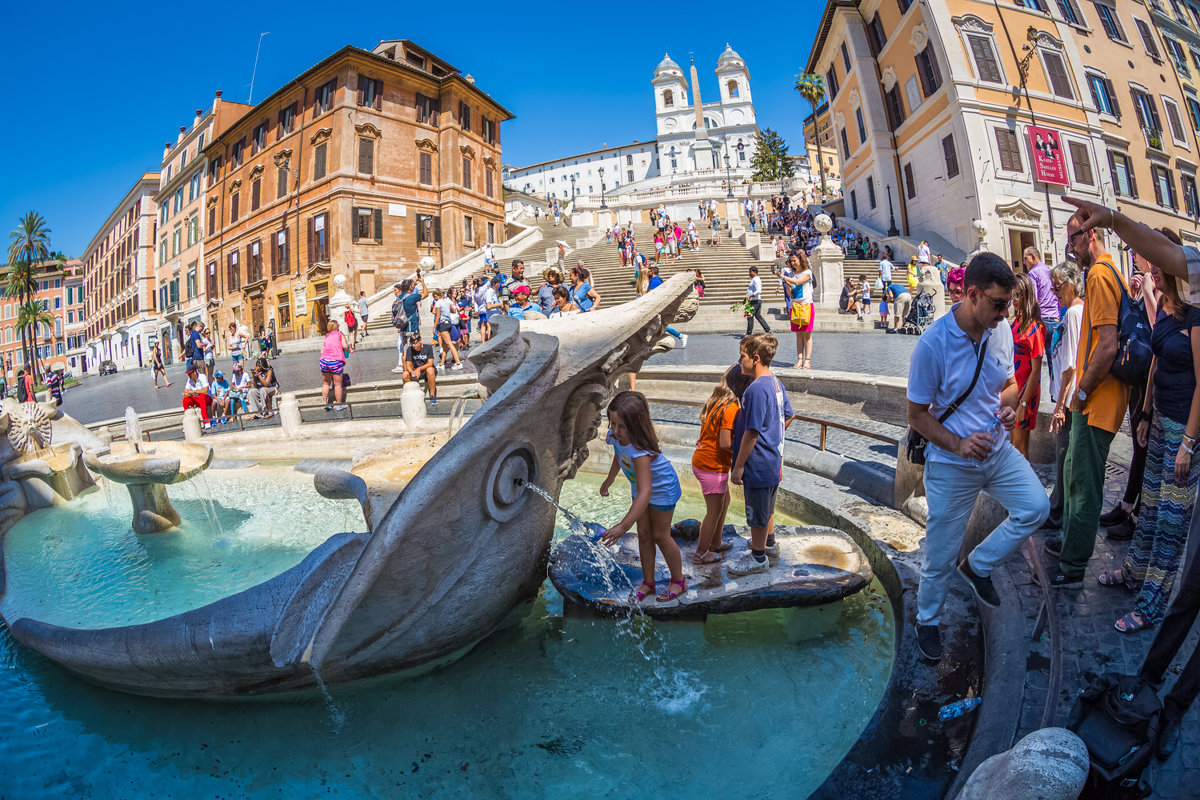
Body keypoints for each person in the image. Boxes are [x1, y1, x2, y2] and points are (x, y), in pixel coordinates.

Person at [906, 253, 1049, 661]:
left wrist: (1011, 405)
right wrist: (957, 443)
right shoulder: (932, 345)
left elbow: (1007, 385)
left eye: (1010, 305)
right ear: (972, 295)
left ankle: (978, 565)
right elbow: (915, 415)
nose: (1006, 314)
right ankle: (927, 621)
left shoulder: (1000, 330)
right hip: (952, 464)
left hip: (999, 452)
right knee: (939, 554)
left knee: (1036, 506)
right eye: (1000, 304)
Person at [1101, 252, 1200, 633]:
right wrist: (1145, 414)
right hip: (1158, 422)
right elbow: (1156, 363)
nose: (1150, 271)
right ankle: (1134, 573)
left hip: (1183, 433)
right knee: (1152, 510)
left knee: (1171, 525)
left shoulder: (1196, 317)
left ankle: (1152, 605)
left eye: (1157, 266)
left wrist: (1188, 445)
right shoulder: (1167, 310)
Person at [1045, 210, 1131, 586]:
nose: (1072, 249)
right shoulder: (1111, 271)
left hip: (1096, 402)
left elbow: (1107, 346)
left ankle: (1073, 565)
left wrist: (1079, 394)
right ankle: (1069, 546)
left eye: (1074, 240)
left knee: (1082, 485)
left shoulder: (1098, 274)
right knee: (1076, 476)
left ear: (1091, 234)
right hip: (1100, 399)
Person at [598, 391, 686, 603]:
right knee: (644, 534)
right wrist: (609, 479)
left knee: (660, 536)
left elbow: (647, 492)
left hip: (661, 489)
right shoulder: (616, 436)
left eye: (621, 426)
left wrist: (622, 526)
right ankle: (649, 582)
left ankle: (678, 580)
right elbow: (619, 455)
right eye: (613, 423)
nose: (615, 431)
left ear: (635, 426)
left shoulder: (640, 451)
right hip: (642, 486)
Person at [728, 333, 796, 576]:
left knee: (756, 512)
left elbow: (751, 432)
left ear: (755, 358)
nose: (739, 361)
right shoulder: (776, 382)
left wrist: (738, 466)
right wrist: (774, 434)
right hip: (773, 459)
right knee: (767, 506)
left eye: (742, 356)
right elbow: (789, 414)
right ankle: (769, 544)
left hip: (757, 461)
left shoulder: (755, 389)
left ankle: (758, 558)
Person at [1045, 263, 1084, 533]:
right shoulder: (1077, 311)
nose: (1054, 291)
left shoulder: (1072, 313)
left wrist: (1059, 407)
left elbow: (1069, 366)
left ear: (1071, 284)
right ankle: (1057, 510)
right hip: (1069, 400)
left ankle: (1057, 515)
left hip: (1068, 402)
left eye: (1057, 286)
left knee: (1063, 458)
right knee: (1064, 458)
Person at [691, 373, 740, 564]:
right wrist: (746, 447)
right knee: (713, 511)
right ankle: (701, 553)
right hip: (712, 466)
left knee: (724, 502)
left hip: (703, 461)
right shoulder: (731, 408)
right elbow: (726, 443)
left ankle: (716, 542)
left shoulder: (716, 401)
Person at [1010, 273, 1045, 460]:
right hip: (1012, 391)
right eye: (1012, 295)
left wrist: (1023, 403)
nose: (1014, 300)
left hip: (1025, 394)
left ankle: (1026, 488)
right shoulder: (1015, 323)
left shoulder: (1035, 328)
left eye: (1018, 295)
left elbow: (1037, 370)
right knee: (1011, 447)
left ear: (1027, 296)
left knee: (1019, 449)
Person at [783, 253, 815, 369]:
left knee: (807, 334)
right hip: (795, 306)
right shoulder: (791, 274)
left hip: (806, 305)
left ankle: (807, 360)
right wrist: (787, 286)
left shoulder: (808, 272)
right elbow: (791, 293)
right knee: (798, 334)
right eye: (791, 261)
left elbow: (797, 282)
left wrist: (783, 277)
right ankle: (800, 360)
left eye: (795, 260)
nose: (793, 263)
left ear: (801, 260)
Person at [1022, 246, 1059, 343]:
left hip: (1042, 319)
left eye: (1025, 258)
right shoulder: (1050, 271)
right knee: (1054, 356)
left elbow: (1033, 298)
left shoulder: (1033, 273)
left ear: (1033, 257)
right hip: (1055, 318)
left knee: (1037, 356)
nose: (1024, 262)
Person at [318, 319, 349, 412]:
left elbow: (322, 351)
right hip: (335, 361)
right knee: (337, 384)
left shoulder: (327, 336)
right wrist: (348, 348)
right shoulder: (340, 334)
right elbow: (344, 346)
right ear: (337, 327)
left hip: (324, 361)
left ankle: (325, 403)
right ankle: (339, 404)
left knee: (326, 383)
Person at [431, 289, 464, 370]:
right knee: (445, 345)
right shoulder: (447, 301)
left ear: (436, 295)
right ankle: (442, 364)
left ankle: (458, 363)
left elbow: (437, 315)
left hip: (442, 324)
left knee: (449, 344)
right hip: (449, 323)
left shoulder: (438, 302)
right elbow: (453, 311)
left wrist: (434, 327)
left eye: (434, 297)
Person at [402, 331, 438, 404]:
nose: (414, 346)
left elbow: (430, 363)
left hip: (425, 370)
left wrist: (419, 369)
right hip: (415, 372)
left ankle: (432, 396)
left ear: (420, 340)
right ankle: (410, 395)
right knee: (405, 374)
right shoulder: (409, 349)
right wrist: (413, 372)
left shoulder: (428, 347)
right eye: (412, 344)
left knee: (430, 370)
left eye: (415, 343)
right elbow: (408, 365)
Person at [745, 266, 771, 336]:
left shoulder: (755, 279)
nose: (749, 273)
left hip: (754, 301)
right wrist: (746, 298)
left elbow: (758, 291)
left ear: (754, 272)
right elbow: (750, 291)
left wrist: (750, 296)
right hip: (755, 300)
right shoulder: (755, 279)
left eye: (750, 272)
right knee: (758, 316)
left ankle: (748, 334)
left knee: (750, 316)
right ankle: (768, 330)